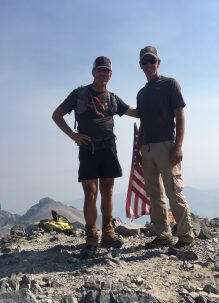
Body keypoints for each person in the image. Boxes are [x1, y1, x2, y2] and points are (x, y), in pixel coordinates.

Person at [52, 56, 136, 252]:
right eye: (100, 70)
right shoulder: (79, 94)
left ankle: (108, 232)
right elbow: (57, 114)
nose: (103, 73)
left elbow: (133, 111)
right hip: (88, 149)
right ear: (93, 72)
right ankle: (91, 236)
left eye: (107, 71)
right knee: (90, 192)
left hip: (108, 147)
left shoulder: (112, 98)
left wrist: (155, 107)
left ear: (111, 75)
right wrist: (73, 135)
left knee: (107, 190)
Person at [136, 46, 195, 251]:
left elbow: (180, 116)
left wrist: (178, 145)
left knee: (174, 192)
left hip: (167, 145)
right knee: (154, 194)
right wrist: (139, 148)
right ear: (140, 65)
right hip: (147, 147)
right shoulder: (141, 93)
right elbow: (143, 122)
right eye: (145, 62)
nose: (149, 65)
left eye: (152, 61)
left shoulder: (170, 84)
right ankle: (163, 235)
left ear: (158, 63)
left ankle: (186, 237)